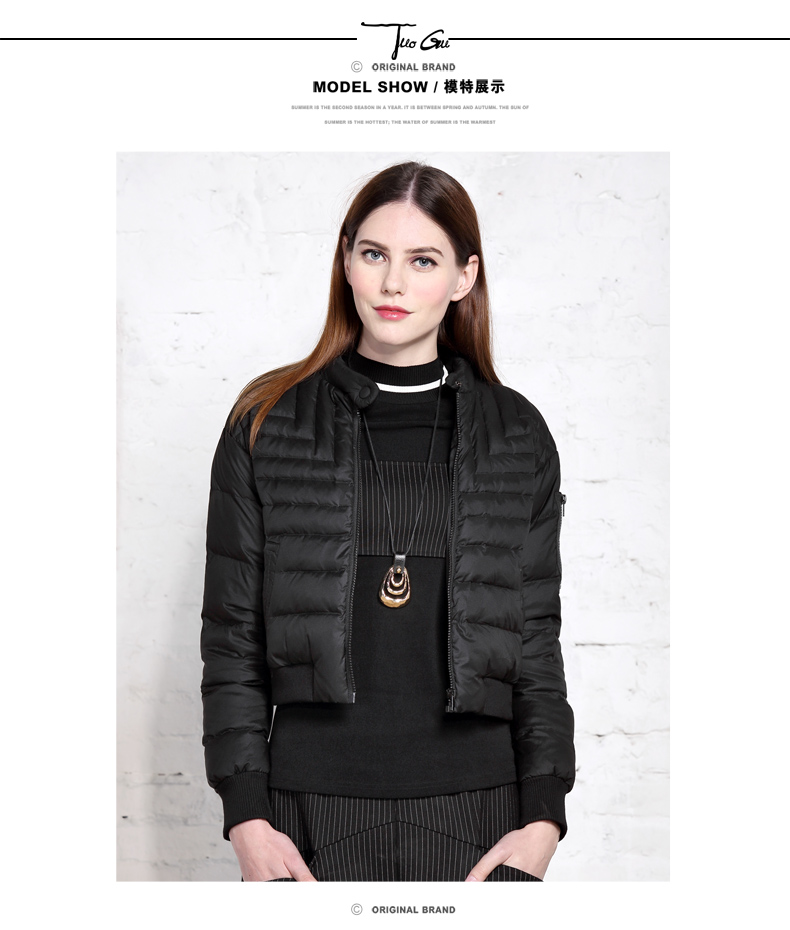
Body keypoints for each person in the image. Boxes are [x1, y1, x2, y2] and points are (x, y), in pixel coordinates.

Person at [199, 161, 575, 882]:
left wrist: (544, 818)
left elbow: (534, 639)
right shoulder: (269, 422)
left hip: (480, 814)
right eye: (374, 254)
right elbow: (232, 635)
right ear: (346, 261)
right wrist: (246, 815)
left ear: (464, 277)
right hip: (305, 816)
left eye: (423, 260)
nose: (393, 283)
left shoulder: (516, 435)